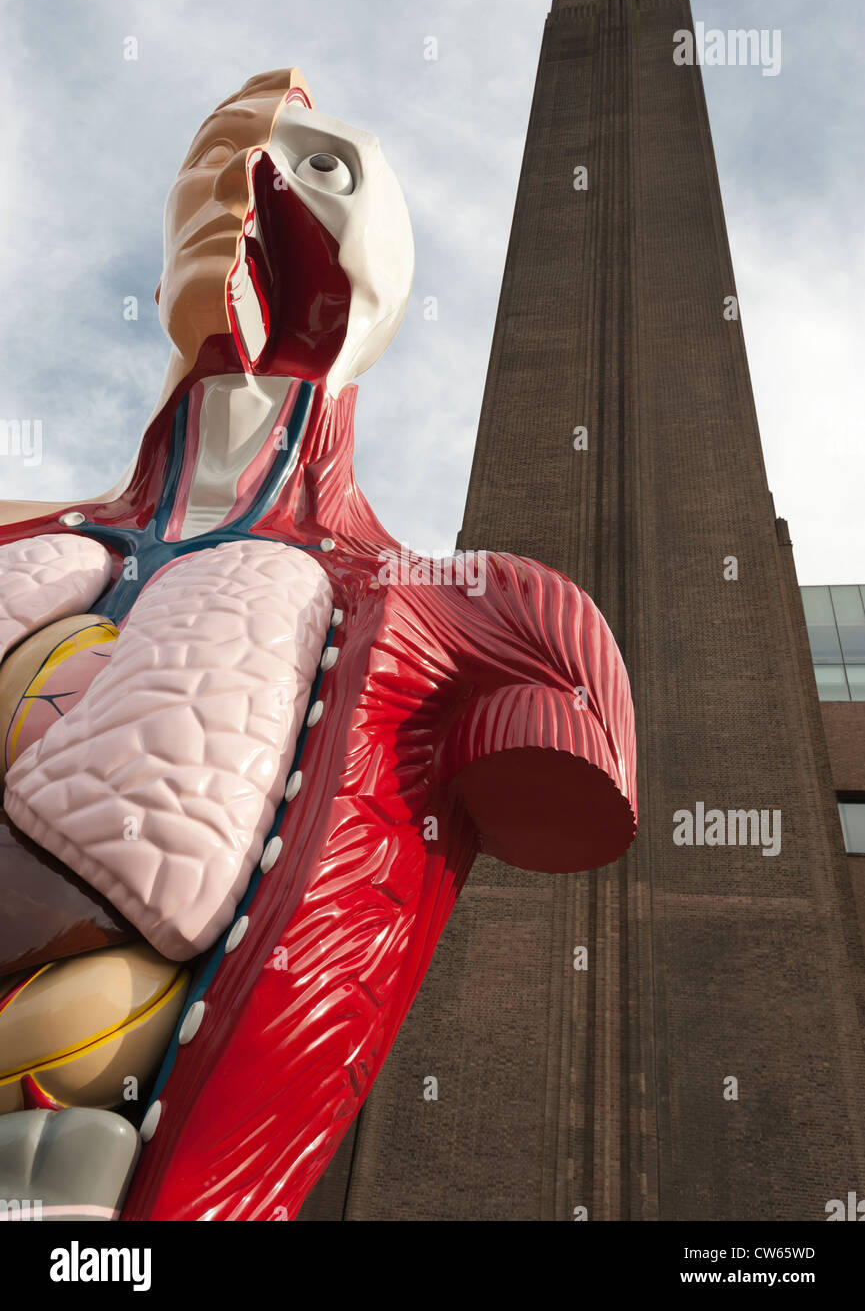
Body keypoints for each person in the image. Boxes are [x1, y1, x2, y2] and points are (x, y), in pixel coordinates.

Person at [0, 70, 637, 1221]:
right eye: (204, 169)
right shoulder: (27, 537)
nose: (241, 184)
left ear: (392, 271)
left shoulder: (487, 618)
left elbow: (578, 764)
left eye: (320, 164)